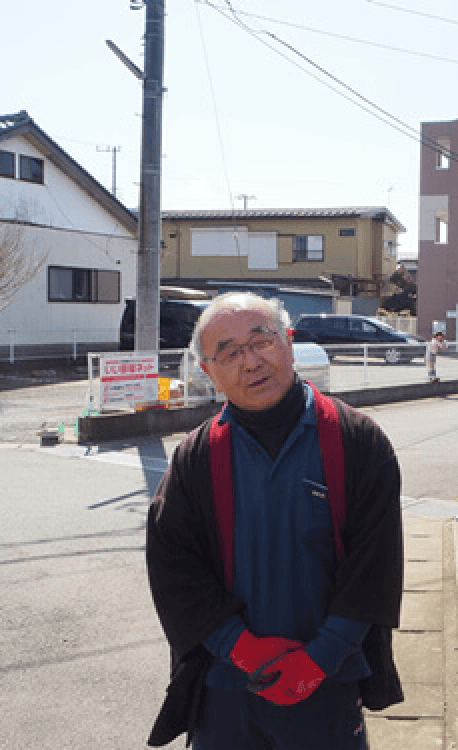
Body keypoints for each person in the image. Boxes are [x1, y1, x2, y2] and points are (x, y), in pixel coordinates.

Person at [145, 292, 404, 749]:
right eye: (228, 352)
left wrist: (319, 660)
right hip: (225, 689)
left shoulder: (357, 442)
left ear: (288, 341)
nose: (250, 362)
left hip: (329, 682)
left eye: (261, 340)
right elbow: (174, 570)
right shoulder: (196, 459)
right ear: (208, 372)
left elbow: (374, 567)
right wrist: (240, 649)